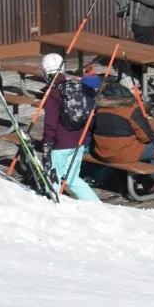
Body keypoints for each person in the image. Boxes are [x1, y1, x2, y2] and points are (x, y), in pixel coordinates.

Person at [36, 53, 98, 201]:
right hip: (79, 140)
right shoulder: (75, 86)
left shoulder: (52, 92)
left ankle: (52, 205)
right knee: (72, 178)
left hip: (61, 143)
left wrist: (47, 142)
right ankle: (97, 205)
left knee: (53, 178)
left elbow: (50, 123)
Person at [90, 81, 154, 193]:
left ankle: (141, 178)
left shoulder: (99, 109)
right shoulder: (131, 109)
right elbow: (147, 137)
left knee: (141, 147)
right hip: (122, 154)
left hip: (101, 151)